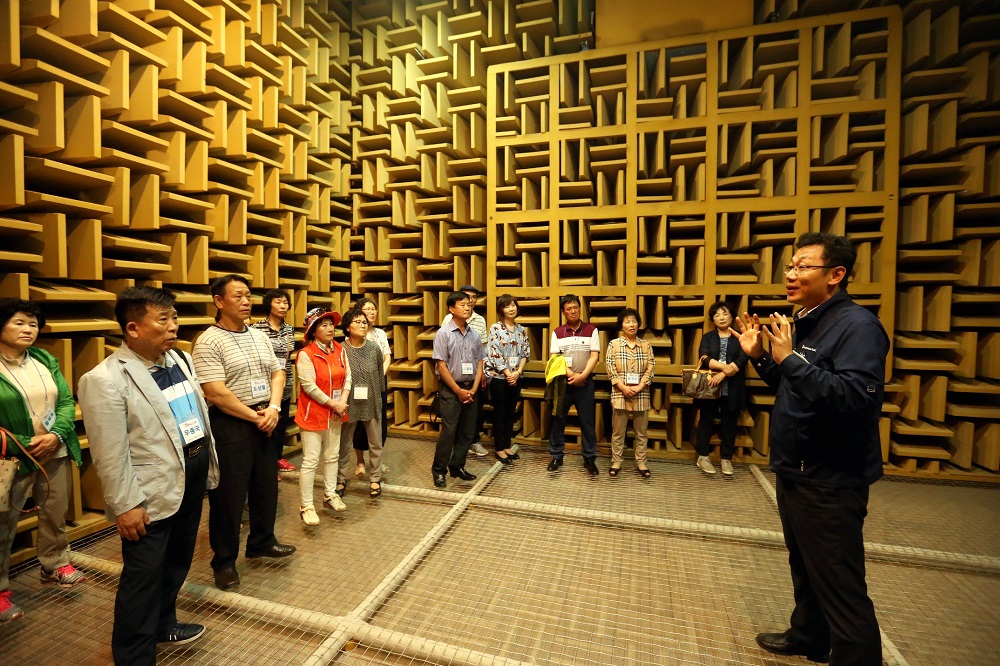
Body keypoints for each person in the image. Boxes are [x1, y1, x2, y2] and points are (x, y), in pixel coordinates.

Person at [736, 232, 887, 665]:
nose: (791, 274)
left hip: (829, 478)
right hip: (798, 470)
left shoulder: (858, 327)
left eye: (803, 267)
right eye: (790, 265)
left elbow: (855, 398)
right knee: (804, 565)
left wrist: (788, 359)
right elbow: (797, 387)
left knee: (840, 584)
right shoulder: (807, 319)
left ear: (836, 274)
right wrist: (762, 357)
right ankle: (809, 636)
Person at [79, 287, 220, 662]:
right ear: (133, 328)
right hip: (149, 493)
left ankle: (163, 624)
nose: (173, 326)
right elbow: (110, 453)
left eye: (174, 318)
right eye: (163, 319)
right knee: (142, 578)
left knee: (176, 563)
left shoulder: (180, 359)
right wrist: (126, 505)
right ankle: (134, 655)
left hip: (189, 478)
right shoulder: (105, 379)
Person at [192, 274, 295, 591]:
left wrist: (274, 408)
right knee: (229, 496)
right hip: (232, 423)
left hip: (266, 416)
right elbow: (215, 391)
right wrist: (254, 417)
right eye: (238, 296)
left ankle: (262, 541)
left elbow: (278, 372)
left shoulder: (260, 336)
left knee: (266, 486)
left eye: (248, 295)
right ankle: (224, 561)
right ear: (219, 301)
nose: (246, 301)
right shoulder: (208, 341)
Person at [0, 299, 86, 624]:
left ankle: (54, 564)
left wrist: (57, 434)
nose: (29, 329)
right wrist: (23, 444)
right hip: (11, 458)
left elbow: (65, 400)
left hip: (54, 450)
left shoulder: (43, 358)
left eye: (34, 324)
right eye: (19, 322)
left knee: (54, 513)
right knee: (3, 525)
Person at [295, 308, 349, 525]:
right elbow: (309, 386)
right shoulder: (306, 354)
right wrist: (334, 404)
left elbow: (348, 378)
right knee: (310, 461)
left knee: (332, 456)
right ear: (313, 330)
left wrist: (342, 401)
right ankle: (306, 506)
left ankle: (330, 494)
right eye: (324, 325)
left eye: (331, 324)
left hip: (336, 412)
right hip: (314, 414)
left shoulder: (340, 349)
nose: (330, 328)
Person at [431, 292, 485, 488]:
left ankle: (457, 466)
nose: (467, 307)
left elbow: (480, 362)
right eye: (462, 304)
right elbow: (441, 366)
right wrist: (458, 391)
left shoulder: (475, 335)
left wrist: (474, 389)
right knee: (449, 432)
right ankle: (439, 470)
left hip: (471, 389)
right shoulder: (443, 334)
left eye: (468, 304)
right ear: (451, 309)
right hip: (451, 390)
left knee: (467, 432)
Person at [693, 301, 748, 477]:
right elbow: (704, 357)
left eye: (725, 314)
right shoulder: (708, 337)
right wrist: (725, 368)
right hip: (710, 387)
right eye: (717, 315)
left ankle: (726, 458)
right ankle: (703, 456)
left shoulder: (740, 337)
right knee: (705, 422)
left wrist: (723, 374)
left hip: (732, 387)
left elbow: (742, 359)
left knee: (729, 423)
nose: (721, 318)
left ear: (732, 316)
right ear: (713, 319)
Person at [547, 294, 600, 476]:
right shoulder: (557, 332)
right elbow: (556, 358)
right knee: (558, 420)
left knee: (587, 421)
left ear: (580, 308)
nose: (573, 311)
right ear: (563, 312)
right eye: (569, 308)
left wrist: (583, 376)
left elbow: (594, 356)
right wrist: (572, 376)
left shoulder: (591, 330)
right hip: (563, 383)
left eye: (575, 307)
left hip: (586, 383)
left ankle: (589, 458)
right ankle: (556, 456)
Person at [336, 309, 385, 498]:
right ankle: (340, 480)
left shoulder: (374, 349)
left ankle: (375, 479)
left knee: (376, 444)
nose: (363, 325)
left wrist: (379, 400)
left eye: (365, 322)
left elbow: (379, 377)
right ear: (348, 327)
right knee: (344, 445)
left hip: (371, 402)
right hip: (348, 404)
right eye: (358, 322)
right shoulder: (340, 349)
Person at [605, 308, 655, 478]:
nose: (631, 324)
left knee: (642, 433)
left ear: (638, 324)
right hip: (620, 394)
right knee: (618, 432)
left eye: (634, 321)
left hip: (641, 394)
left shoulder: (646, 345)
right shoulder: (614, 344)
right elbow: (610, 368)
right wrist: (623, 387)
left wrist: (640, 386)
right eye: (627, 321)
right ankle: (616, 461)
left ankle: (641, 462)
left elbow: (650, 368)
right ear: (622, 325)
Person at [442, 285, 489, 457]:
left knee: (472, 418)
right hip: (454, 378)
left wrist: (480, 375)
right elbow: (444, 356)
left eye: (473, 298)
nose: (470, 302)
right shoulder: (447, 323)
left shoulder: (479, 321)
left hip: (473, 376)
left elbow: (482, 350)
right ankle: (447, 457)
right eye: (465, 300)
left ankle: (470, 445)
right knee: (452, 423)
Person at [252, 289, 296, 473]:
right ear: (269, 305)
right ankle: (266, 464)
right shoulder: (257, 328)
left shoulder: (289, 329)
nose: (282, 306)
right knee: (266, 424)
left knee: (281, 423)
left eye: (285, 302)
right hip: (265, 383)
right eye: (278, 302)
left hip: (285, 381)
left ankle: (278, 458)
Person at [484, 294, 529, 465]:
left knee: (511, 412)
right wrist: (508, 373)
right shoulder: (495, 328)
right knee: (500, 412)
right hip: (499, 378)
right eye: (507, 306)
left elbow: (525, 353)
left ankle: (507, 445)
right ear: (501, 310)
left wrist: (518, 372)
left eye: (513, 305)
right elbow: (494, 353)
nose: (511, 308)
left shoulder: (521, 330)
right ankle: (499, 448)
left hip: (516, 377)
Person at [352, 296, 391, 478]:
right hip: (360, 383)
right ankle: (360, 461)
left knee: (379, 421)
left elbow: (387, 356)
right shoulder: (355, 333)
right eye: (367, 309)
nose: (372, 312)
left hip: (379, 381)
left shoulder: (381, 334)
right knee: (360, 422)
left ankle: (377, 460)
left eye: (373, 308)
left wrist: (379, 375)